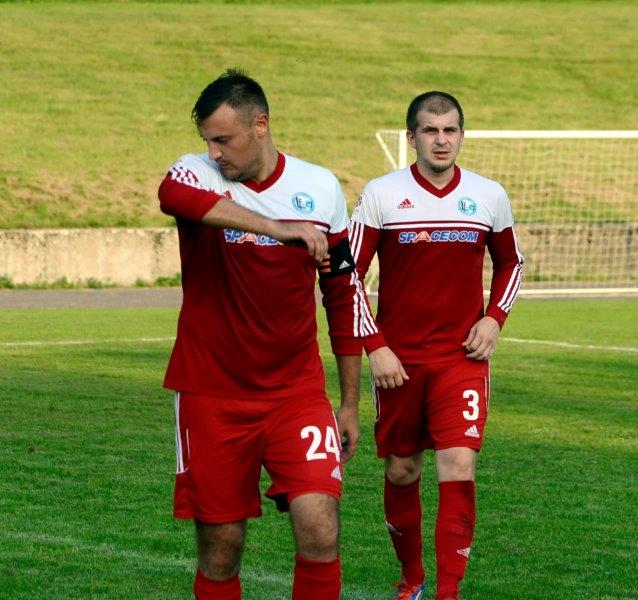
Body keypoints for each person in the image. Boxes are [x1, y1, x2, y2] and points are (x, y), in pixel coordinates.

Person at [158, 68, 405, 600]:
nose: (215, 151)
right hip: (211, 394)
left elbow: (342, 295)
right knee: (221, 548)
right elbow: (172, 195)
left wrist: (349, 402)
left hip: (296, 393)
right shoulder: (197, 172)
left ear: (261, 125)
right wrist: (278, 227)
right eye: (208, 140)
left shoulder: (318, 186)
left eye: (224, 139)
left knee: (320, 527)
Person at [346, 91, 524, 599]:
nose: (441, 140)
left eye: (450, 130)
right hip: (398, 362)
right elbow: (347, 276)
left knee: (459, 465)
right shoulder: (382, 193)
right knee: (403, 470)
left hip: (462, 358)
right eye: (430, 130)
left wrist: (494, 319)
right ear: (412, 137)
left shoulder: (489, 195)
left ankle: (449, 592)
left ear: (462, 135)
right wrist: (375, 345)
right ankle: (413, 579)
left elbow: (511, 263)